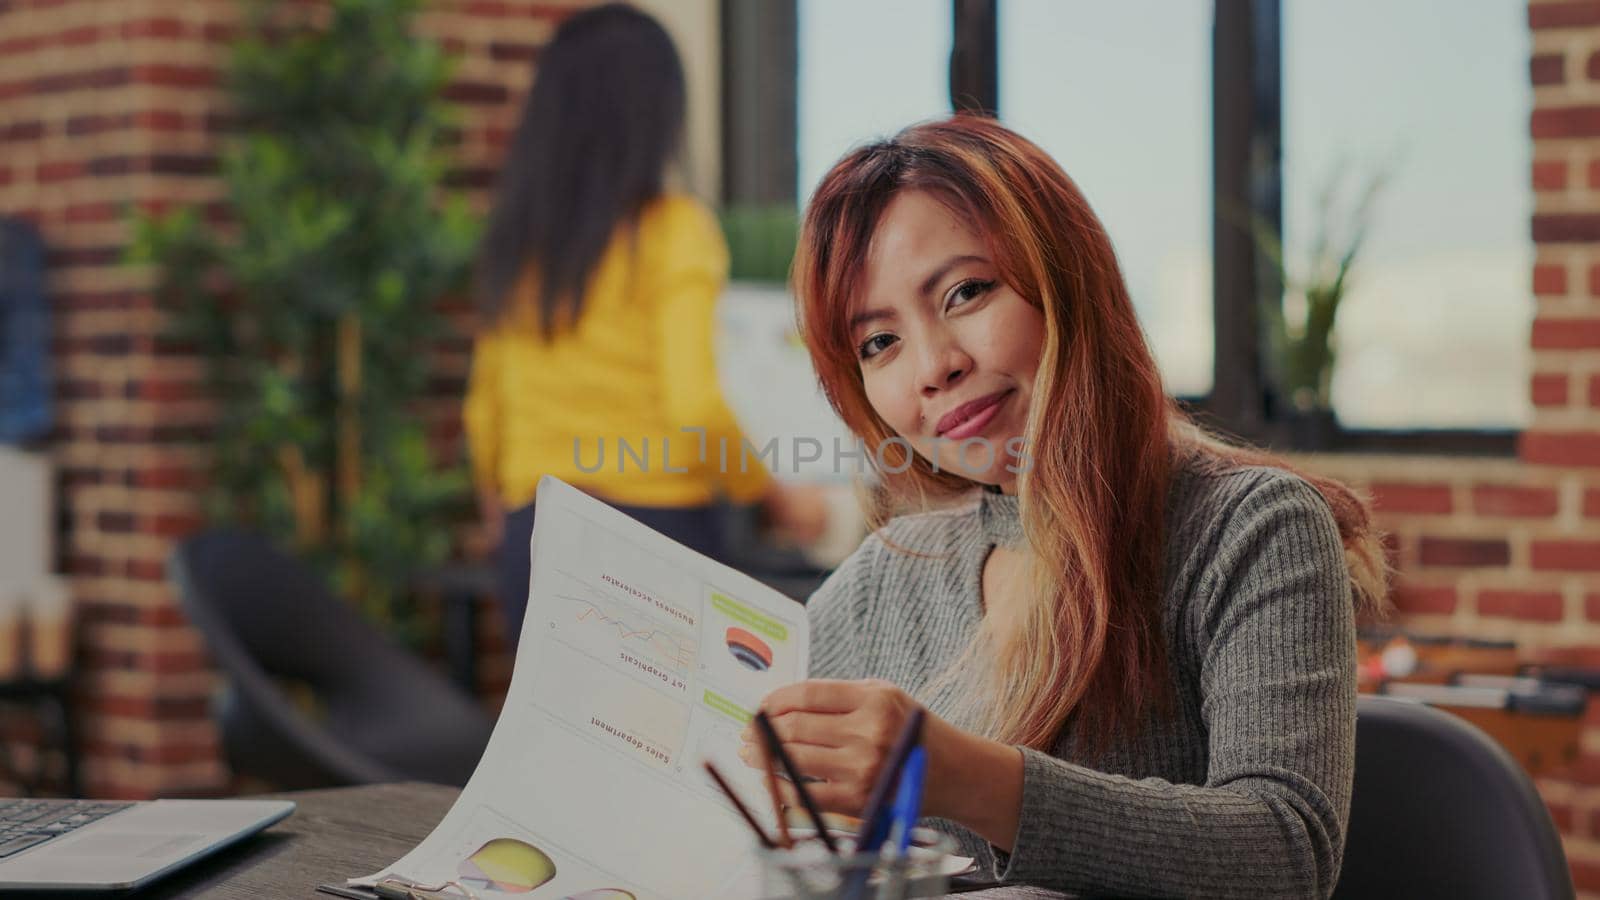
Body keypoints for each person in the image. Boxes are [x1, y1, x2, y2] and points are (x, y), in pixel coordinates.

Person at [739, 116, 1387, 899]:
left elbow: (1287, 855)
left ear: (1066, 279)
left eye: (966, 292)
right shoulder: (882, 582)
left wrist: (959, 776)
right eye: (879, 343)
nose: (933, 367)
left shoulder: (1252, 528)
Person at [463, 4, 821, 643]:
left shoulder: (524, 246)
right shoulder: (674, 231)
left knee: (560, 741)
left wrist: (508, 519)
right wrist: (776, 497)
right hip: (656, 535)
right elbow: (695, 410)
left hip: (535, 535)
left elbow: (484, 415)